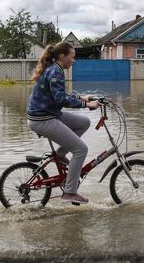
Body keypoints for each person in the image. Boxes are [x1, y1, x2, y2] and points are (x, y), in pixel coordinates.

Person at [26, 42, 100, 204]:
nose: (73, 61)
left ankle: (60, 155)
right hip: (42, 119)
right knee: (81, 149)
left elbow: (59, 94)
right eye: (72, 57)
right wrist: (86, 105)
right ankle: (70, 192)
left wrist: (81, 98)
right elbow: (61, 99)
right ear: (62, 56)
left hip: (49, 114)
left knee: (83, 123)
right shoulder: (55, 71)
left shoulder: (55, 69)